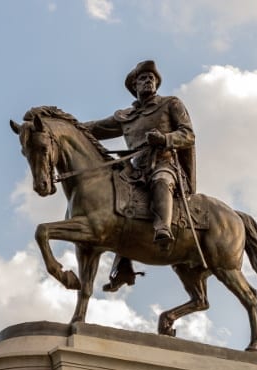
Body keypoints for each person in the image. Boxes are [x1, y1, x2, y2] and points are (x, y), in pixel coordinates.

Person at [84, 60, 196, 292]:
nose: (148, 81)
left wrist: (165, 139)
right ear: (135, 86)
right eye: (142, 79)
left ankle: (163, 228)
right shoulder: (127, 116)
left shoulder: (170, 104)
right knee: (111, 203)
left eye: (151, 78)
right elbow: (94, 128)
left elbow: (188, 135)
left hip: (165, 163)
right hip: (135, 170)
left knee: (161, 180)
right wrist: (64, 125)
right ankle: (123, 266)